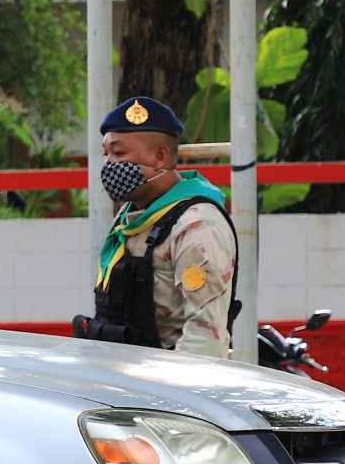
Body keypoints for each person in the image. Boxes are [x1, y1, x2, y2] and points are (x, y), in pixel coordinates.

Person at [75, 95, 238, 358]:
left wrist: (167, 395)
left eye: (118, 153)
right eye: (106, 154)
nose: (108, 165)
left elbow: (205, 338)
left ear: (160, 156)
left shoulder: (195, 224)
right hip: (128, 379)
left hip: (164, 387)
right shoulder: (134, 216)